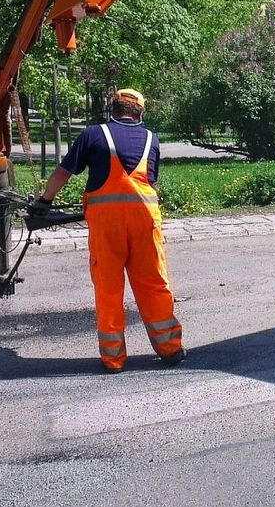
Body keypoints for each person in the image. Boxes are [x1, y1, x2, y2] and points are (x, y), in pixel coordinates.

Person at [37, 89, 184, 373]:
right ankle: (170, 349)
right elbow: (149, 180)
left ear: (112, 109)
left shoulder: (93, 135)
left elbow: (63, 174)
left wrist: (44, 201)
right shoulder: (152, 140)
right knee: (154, 284)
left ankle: (114, 358)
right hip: (145, 223)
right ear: (140, 113)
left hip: (107, 227)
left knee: (109, 289)